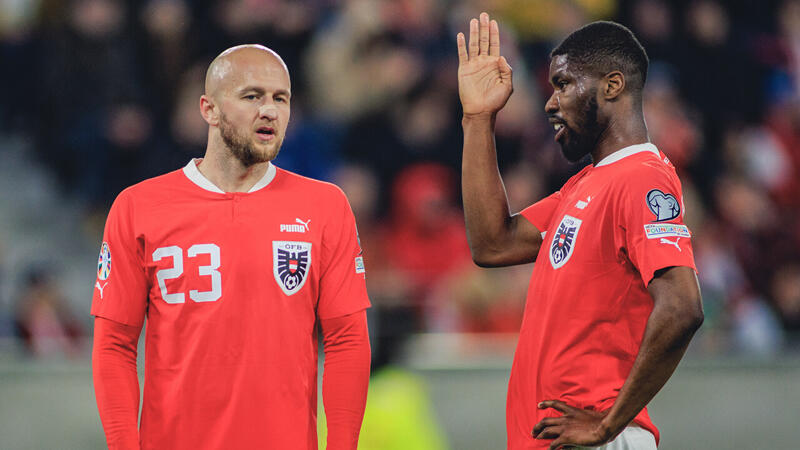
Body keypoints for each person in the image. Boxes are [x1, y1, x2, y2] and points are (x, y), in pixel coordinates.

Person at [90, 44, 371, 450]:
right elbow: (114, 344)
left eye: (281, 99)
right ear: (209, 109)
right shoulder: (138, 207)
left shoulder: (325, 207)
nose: (270, 111)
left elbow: (347, 339)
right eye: (252, 96)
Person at [457, 14, 704, 450]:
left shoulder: (642, 177)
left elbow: (682, 307)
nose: (552, 102)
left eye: (564, 83)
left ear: (612, 86)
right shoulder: (586, 185)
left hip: (596, 437)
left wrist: (607, 424)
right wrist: (478, 120)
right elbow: (492, 243)